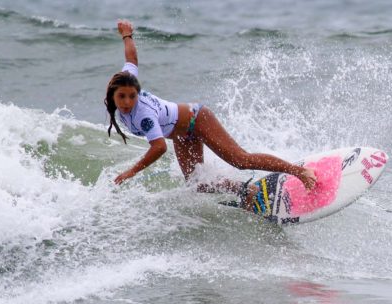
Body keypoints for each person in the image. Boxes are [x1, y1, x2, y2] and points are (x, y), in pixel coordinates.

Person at [105, 20, 316, 209]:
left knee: (241, 160)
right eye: (122, 96)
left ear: (137, 93)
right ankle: (246, 191)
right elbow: (131, 58)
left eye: (132, 96)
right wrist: (126, 35)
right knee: (197, 184)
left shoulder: (144, 115)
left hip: (197, 120)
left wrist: (132, 171)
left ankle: (300, 172)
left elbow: (159, 147)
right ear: (113, 93)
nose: (127, 102)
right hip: (181, 134)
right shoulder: (126, 79)